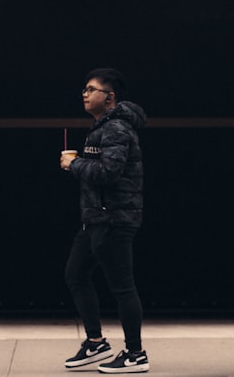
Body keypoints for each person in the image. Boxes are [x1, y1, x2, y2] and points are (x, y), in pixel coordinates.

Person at [60, 68, 149, 374]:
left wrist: (75, 164)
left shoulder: (117, 129)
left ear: (109, 97)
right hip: (95, 219)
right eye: (83, 89)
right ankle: (96, 342)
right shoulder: (101, 127)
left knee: (123, 287)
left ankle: (136, 354)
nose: (84, 94)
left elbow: (108, 174)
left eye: (91, 89)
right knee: (76, 274)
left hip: (114, 218)